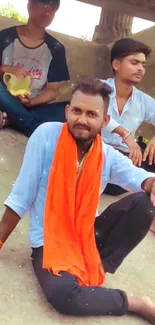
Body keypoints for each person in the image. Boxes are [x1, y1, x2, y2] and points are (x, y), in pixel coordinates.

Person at [0, 77, 155, 322]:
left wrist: (151, 183)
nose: (81, 120)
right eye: (76, 111)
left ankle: (96, 268)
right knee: (63, 295)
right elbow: (21, 197)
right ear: (67, 111)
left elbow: (138, 177)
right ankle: (137, 304)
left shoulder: (106, 154)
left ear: (104, 121)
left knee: (144, 204)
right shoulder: (45, 136)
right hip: (48, 241)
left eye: (91, 114)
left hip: (87, 237)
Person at [101, 38, 155, 232]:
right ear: (116, 64)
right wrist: (125, 134)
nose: (140, 68)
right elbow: (91, 115)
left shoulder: (143, 100)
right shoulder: (97, 88)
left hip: (128, 161)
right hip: (98, 155)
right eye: (134, 62)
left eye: (143, 64)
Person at [0, 0, 70, 137]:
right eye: (43, 3)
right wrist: (7, 68)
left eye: (53, 7)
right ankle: (32, 126)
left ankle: (12, 119)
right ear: (29, 5)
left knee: (70, 109)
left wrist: (32, 102)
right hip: (5, 98)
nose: (48, 10)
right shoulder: (5, 37)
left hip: (34, 105)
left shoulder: (56, 49)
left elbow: (52, 91)